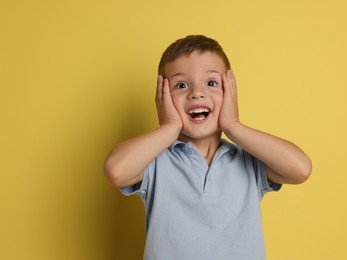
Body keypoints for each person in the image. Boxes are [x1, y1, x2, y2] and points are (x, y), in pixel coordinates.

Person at [104, 35, 312, 260]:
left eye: (211, 83)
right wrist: (169, 127)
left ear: (230, 93)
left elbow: (301, 169)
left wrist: (234, 126)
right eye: (181, 85)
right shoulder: (156, 162)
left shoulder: (248, 161)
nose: (197, 93)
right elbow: (116, 170)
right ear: (162, 98)